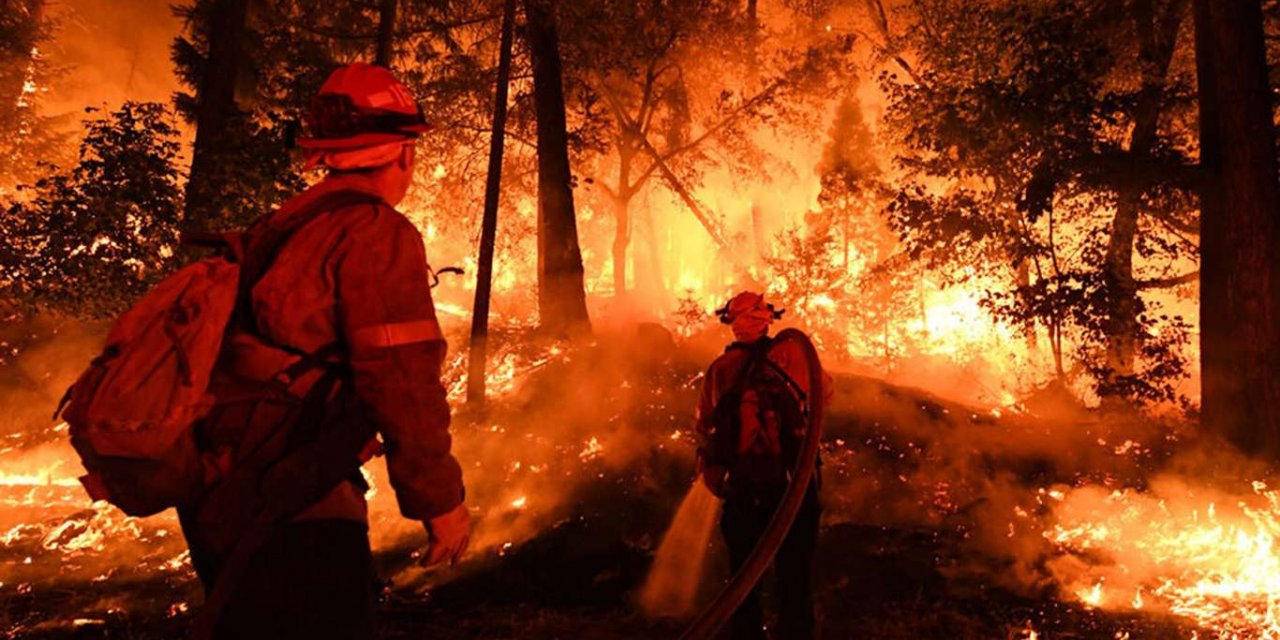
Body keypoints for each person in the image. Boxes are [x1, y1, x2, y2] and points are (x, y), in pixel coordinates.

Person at [178, 63, 469, 640]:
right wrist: (440, 502)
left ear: (324, 153)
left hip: (223, 492)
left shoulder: (286, 223)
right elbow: (403, 382)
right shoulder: (375, 234)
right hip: (291, 500)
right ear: (405, 153)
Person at [695, 292, 829, 640]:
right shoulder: (795, 353)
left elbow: (704, 426)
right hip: (794, 486)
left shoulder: (720, 369)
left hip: (744, 489)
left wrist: (712, 473)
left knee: (743, 578)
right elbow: (823, 393)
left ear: (732, 324)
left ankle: (748, 635)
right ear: (767, 319)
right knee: (795, 576)